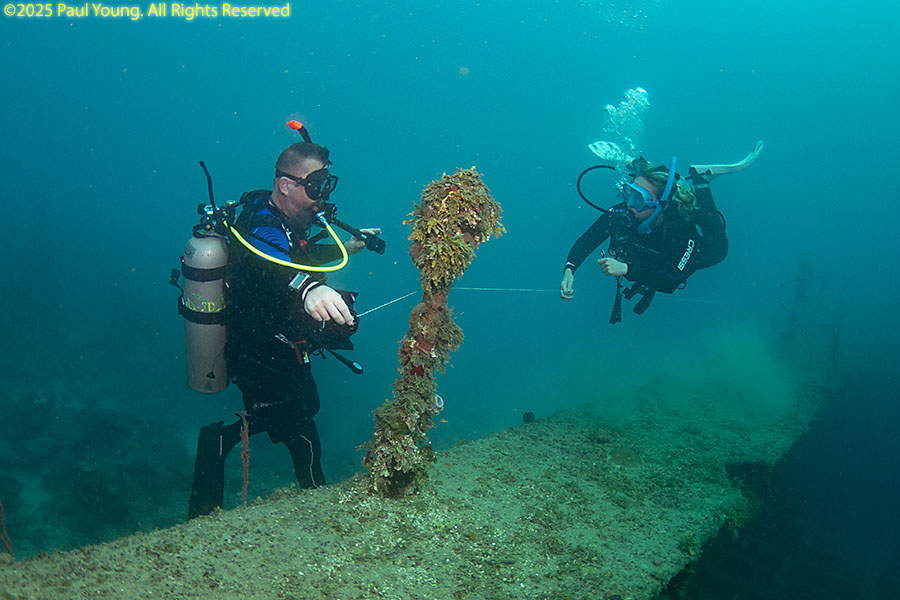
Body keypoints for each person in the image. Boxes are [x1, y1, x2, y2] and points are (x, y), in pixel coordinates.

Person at [188, 141, 380, 519]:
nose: (322, 196)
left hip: (277, 344)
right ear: (286, 185)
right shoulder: (261, 225)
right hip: (256, 349)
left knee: (295, 413)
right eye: (316, 185)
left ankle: (224, 444)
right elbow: (270, 261)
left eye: (327, 184)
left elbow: (297, 256)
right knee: (298, 423)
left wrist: (346, 247)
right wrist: (308, 289)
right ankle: (316, 501)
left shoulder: (288, 222)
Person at [560, 156, 730, 321]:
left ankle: (700, 181)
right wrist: (569, 270)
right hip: (647, 259)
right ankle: (641, 166)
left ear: (662, 205)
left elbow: (672, 279)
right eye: (629, 193)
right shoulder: (623, 214)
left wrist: (627, 269)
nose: (630, 204)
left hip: (690, 248)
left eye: (639, 199)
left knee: (718, 250)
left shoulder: (680, 228)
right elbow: (587, 241)